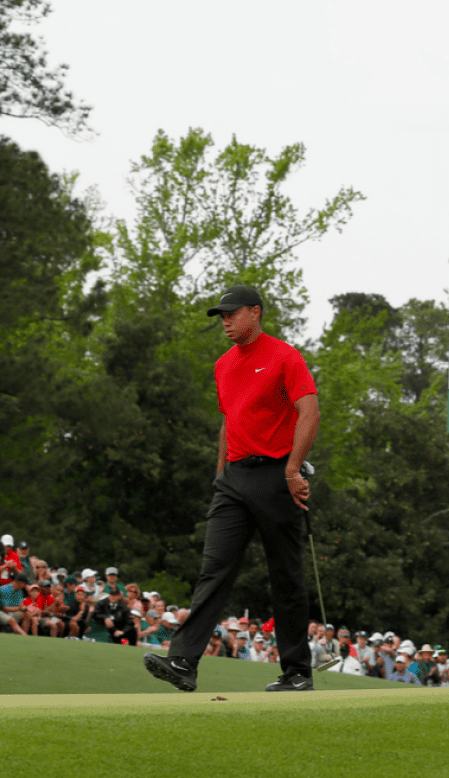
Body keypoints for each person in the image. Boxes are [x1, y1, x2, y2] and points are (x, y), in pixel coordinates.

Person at [144, 285, 320, 694]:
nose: (225, 321)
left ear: (255, 312)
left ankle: (297, 673)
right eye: (221, 316)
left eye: (231, 313)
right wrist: (220, 476)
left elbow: (309, 412)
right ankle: (183, 661)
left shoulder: (285, 356)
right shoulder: (223, 365)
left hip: (276, 476)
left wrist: (293, 469)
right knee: (214, 569)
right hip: (234, 480)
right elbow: (229, 421)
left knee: (286, 578)